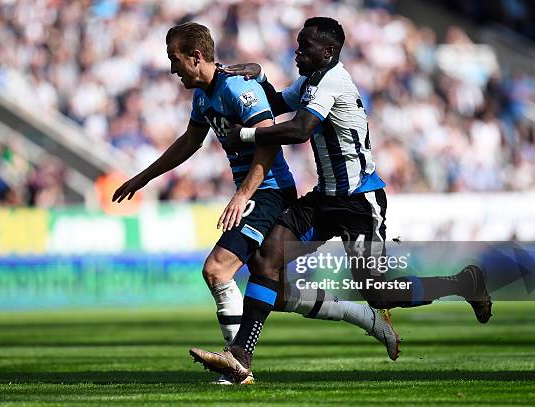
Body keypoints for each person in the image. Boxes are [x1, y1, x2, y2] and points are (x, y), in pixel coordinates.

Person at [189, 17, 492, 383]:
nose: (297, 52)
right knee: (267, 258)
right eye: (298, 45)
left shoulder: (334, 82)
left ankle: (463, 283)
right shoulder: (310, 81)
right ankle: (241, 353)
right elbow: (277, 102)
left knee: (378, 294)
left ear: (328, 52)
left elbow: (300, 130)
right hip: (325, 199)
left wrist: (248, 134)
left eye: (305, 47)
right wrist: (260, 76)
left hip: (359, 202)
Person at [113, 22, 402, 383]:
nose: (172, 68)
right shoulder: (203, 95)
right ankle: (364, 318)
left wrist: (242, 194)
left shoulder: (238, 88)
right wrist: (143, 177)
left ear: (196, 56)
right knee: (272, 291)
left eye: (175, 60)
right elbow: (190, 141)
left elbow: (273, 141)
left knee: (218, 269)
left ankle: (236, 362)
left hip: (269, 191)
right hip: (272, 193)